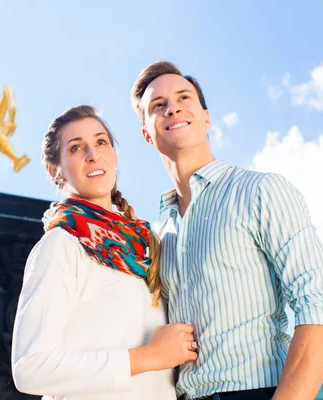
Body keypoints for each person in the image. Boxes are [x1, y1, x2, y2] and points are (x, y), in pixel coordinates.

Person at [130, 62, 323, 400]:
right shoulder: (159, 236)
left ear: (206, 117)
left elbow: (322, 304)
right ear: (148, 133)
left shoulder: (260, 190)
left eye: (183, 97)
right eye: (157, 105)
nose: (172, 107)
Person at [11, 105, 198, 400]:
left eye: (101, 142)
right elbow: (30, 368)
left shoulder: (147, 245)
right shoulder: (61, 245)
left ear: (113, 153)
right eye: (76, 148)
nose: (92, 154)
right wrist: (149, 357)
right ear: (54, 170)